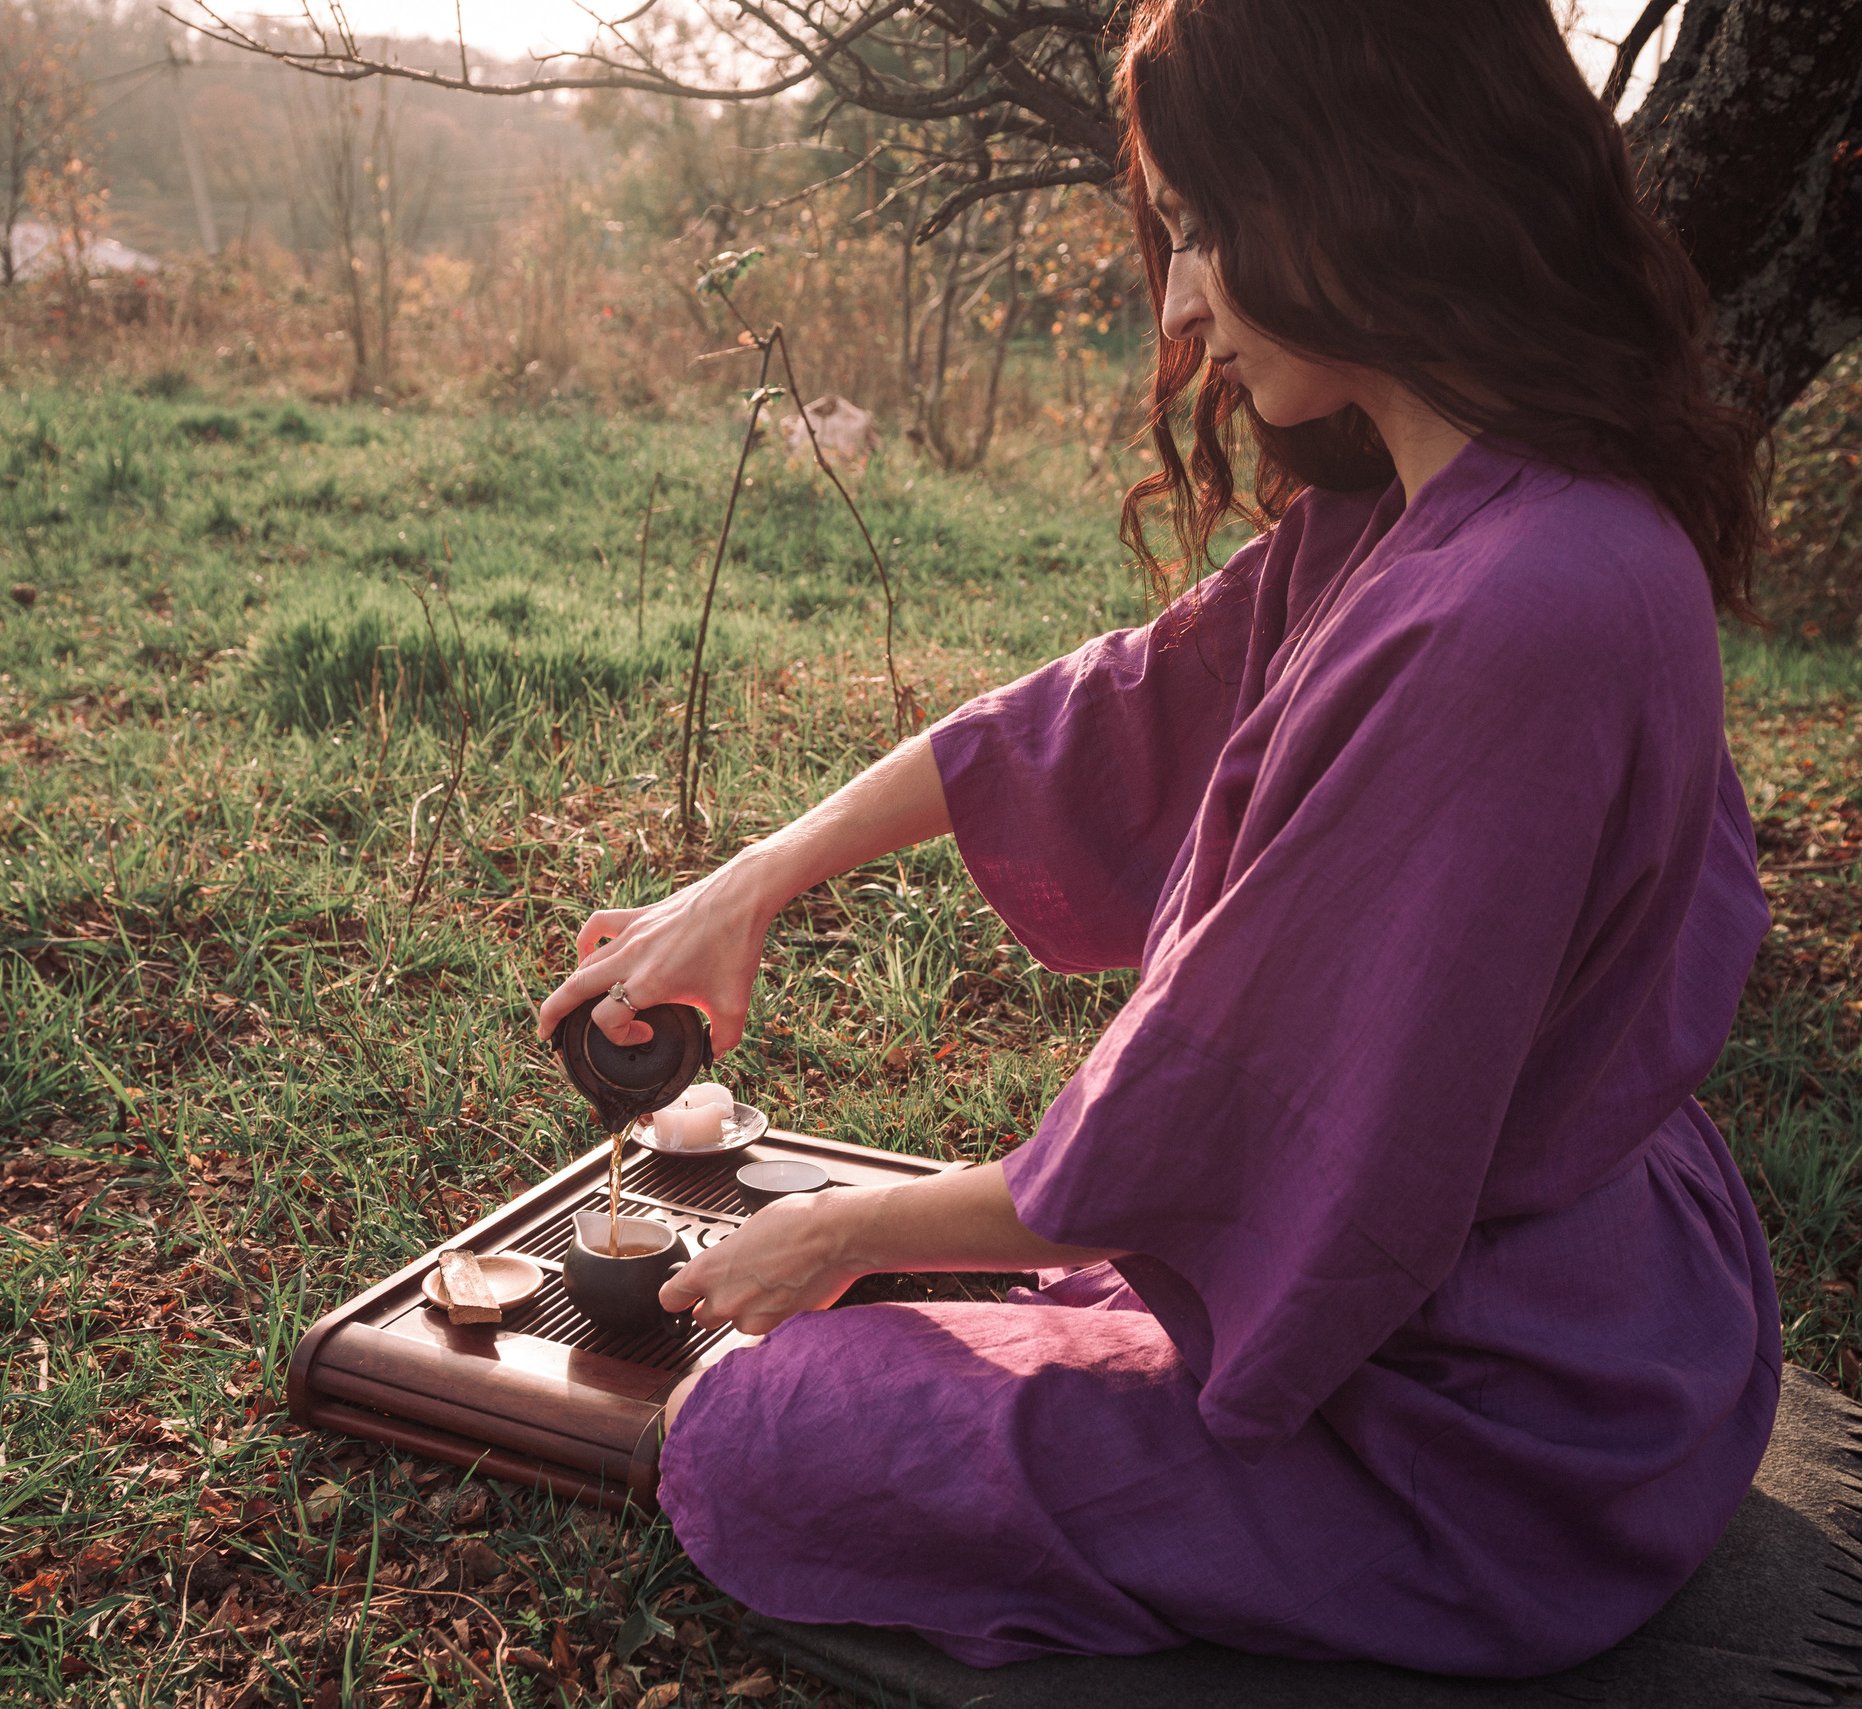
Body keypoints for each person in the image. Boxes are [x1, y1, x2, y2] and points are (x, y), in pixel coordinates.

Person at [533, 0, 1780, 1678]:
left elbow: (1248, 1135)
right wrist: (747, 881)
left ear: (1360, 183)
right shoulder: (1442, 516)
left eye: (1203, 228)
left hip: (1490, 1430)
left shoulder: (1517, 613)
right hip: (1585, 1323)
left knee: (767, 1420)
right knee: (915, 1304)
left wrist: (844, 1233)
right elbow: (1103, 708)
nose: (1180, 305)